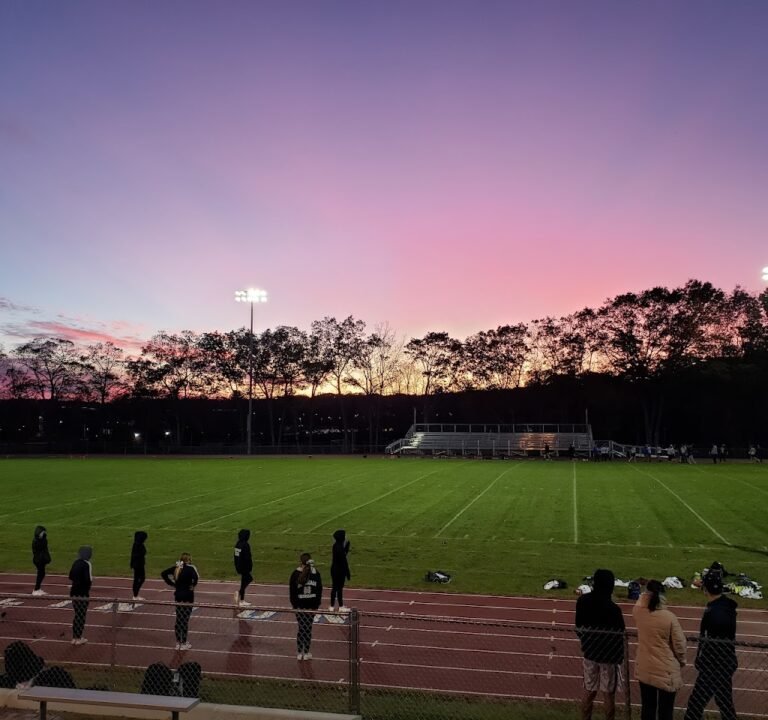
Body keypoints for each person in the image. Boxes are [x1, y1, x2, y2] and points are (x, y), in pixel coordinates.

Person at [684, 571, 738, 720]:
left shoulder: (716, 612)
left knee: (695, 704)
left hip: (714, 665)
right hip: (723, 663)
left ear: (706, 589)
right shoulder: (724, 607)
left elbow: (710, 637)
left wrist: (703, 658)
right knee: (724, 702)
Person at [575, 569, 626, 720]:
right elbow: (620, 633)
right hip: (609, 658)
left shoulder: (582, 601)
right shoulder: (614, 609)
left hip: (590, 653)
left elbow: (578, 627)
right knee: (608, 695)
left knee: (589, 691)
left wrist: (587, 642)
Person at [633, 580, 687, 720]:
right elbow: (679, 645)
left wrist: (644, 596)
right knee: (665, 711)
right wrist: (682, 661)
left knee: (648, 708)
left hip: (645, 667)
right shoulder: (669, 617)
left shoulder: (638, 611)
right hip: (666, 670)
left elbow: (640, 603)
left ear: (645, 594)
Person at [161, 552, 199, 651]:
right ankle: (184, 642)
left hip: (178, 596)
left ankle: (178, 643)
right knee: (185, 620)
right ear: (188, 560)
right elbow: (196, 578)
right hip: (188, 597)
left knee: (179, 619)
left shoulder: (176, 568)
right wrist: (192, 585)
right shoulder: (190, 569)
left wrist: (172, 583)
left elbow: (163, 573)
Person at [289, 552, 322, 660]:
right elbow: (319, 591)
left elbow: (292, 593)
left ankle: (299, 652)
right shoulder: (315, 573)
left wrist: (295, 606)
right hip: (311, 607)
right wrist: (316, 606)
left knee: (301, 628)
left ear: (300, 561)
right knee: (308, 628)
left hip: (300, 607)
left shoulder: (295, 574)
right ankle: (307, 652)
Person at [69, 546, 93, 646]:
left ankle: (75, 637)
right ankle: (78, 638)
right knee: (81, 615)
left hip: (73, 592)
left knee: (77, 615)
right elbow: (88, 580)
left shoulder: (76, 562)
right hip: (83, 593)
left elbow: (70, 576)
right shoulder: (87, 564)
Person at [329, 529, 351, 613]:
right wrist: (347, 572)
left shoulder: (336, 545)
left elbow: (342, 555)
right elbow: (343, 560)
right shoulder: (339, 547)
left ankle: (332, 606)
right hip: (339, 570)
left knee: (335, 587)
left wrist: (346, 548)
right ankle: (340, 606)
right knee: (339, 588)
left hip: (335, 569)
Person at [233, 528, 253, 607]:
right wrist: (249, 566)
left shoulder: (238, 544)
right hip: (244, 566)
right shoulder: (245, 545)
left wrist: (237, 565)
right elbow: (247, 557)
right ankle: (239, 593)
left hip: (239, 566)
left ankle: (242, 600)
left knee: (243, 581)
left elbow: (235, 556)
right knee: (248, 579)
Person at [32, 525, 51, 596]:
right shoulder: (36, 541)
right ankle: (36, 589)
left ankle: (38, 588)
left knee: (42, 573)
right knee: (41, 574)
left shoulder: (42, 539)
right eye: (42, 532)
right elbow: (40, 550)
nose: (44, 533)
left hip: (42, 559)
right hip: (38, 560)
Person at [130, 531, 148, 601]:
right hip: (139, 565)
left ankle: (135, 595)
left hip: (137, 564)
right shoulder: (139, 545)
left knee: (137, 579)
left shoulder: (136, 544)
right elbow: (138, 555)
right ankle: (135, 595)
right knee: (141, 579)